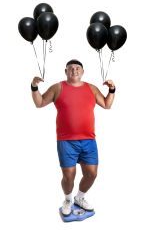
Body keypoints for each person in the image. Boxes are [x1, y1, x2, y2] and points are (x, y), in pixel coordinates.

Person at [31, 59, 115, 216]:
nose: (74, 70)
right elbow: (40, 102)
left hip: (89, 140)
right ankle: (68, 200)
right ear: (66, 71)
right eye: (71, 68)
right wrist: (34, 86)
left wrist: (112, 90)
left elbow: (106, 104)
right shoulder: (58, 87)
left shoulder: (91, 88)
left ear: (82, 72)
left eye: (78, 68)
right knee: (69, 176)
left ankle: (80, 197)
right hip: (66, 141)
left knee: (92, 174)